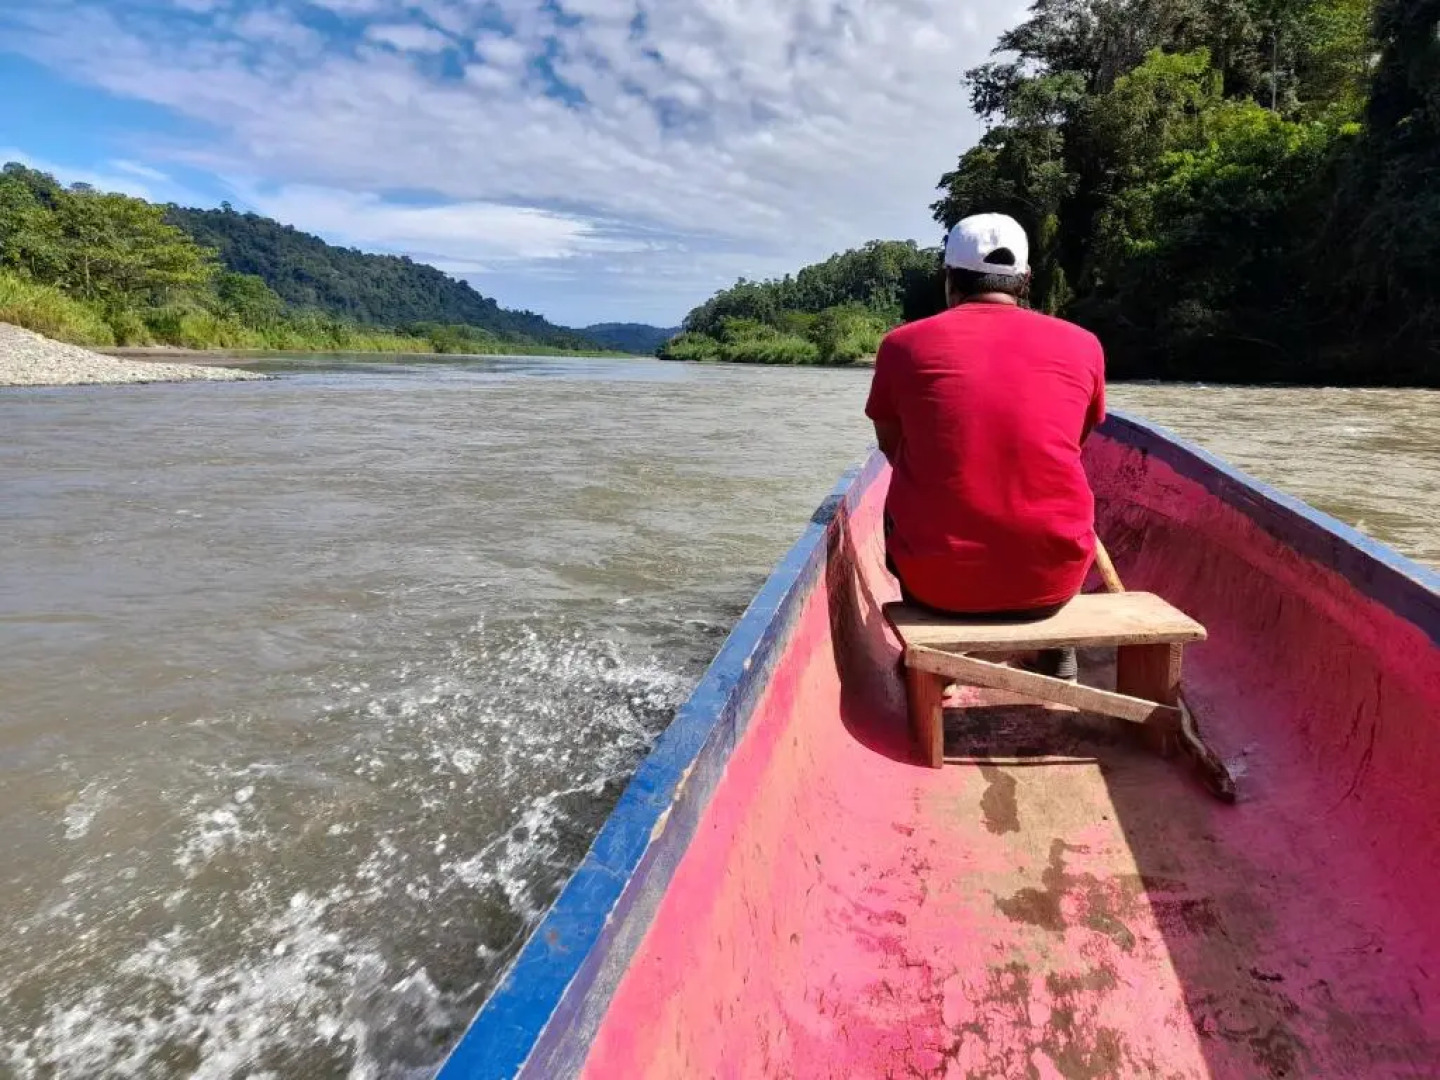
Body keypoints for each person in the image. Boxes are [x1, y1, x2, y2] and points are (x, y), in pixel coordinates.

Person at [865, 213, 1106, 680]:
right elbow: (1077, 439)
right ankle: (1055, 646)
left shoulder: (901, 345)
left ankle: (943, 661)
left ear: (950, 280)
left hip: (935, 584)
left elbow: (892, 448)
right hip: (1054, 582)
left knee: (901, 496)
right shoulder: (1085, 344)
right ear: (1026, 281)